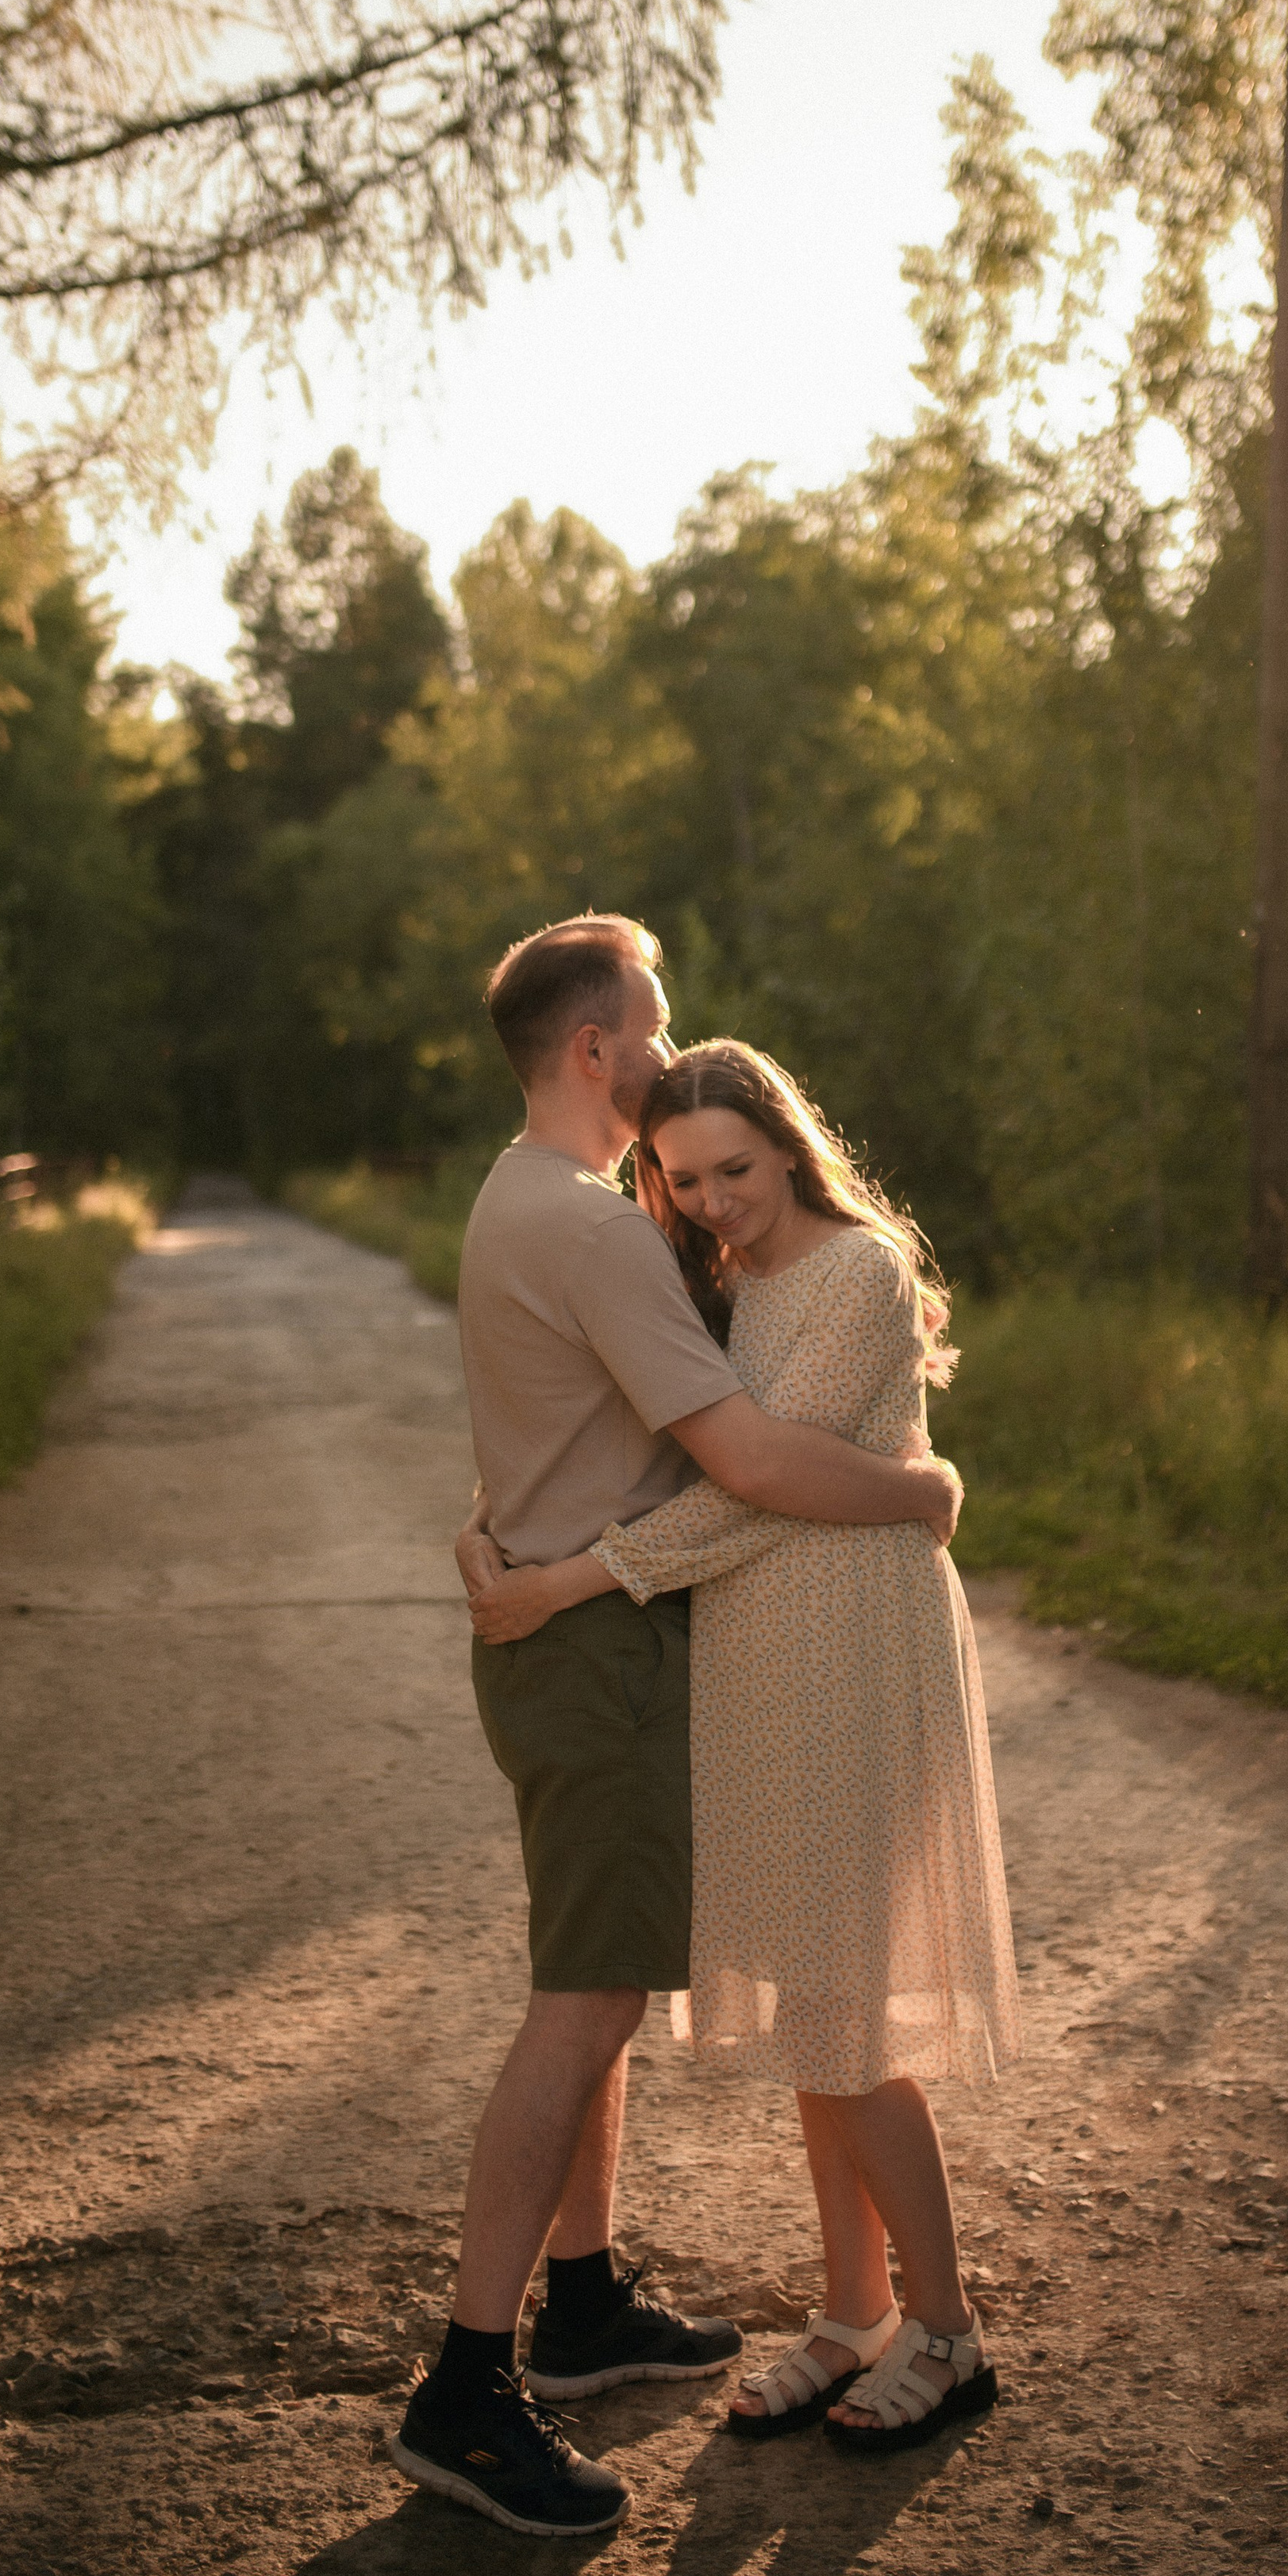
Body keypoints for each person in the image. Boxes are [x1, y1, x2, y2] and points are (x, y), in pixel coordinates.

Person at [387, 919, 963, 2540]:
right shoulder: (596, 1225)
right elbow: (753, 1467)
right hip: (599, 1648)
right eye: (649, 1022)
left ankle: (585, 2306)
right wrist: (923, 1491)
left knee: (639, 1989)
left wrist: (502, 1530)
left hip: (622, 1632)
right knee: (584, 2005)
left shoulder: (534, 1201)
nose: (666, 1044)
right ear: (596, 1048)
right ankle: (466, 2387)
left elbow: (566, 1419)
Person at [465, 1038, 1018, 2458]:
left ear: (789, 1146)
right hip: (756, 1660)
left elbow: (757, 1492)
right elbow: (630, 1430)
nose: (713, 1199)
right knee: (810, 2008)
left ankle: (947, 2329)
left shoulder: (858, 1271)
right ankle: (853, 2311)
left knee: (849, 2016)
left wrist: (569, 1579)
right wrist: (496, 1513)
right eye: (684, 1177)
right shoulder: (723, 1276)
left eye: (736, 1170)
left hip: (852, 1643)